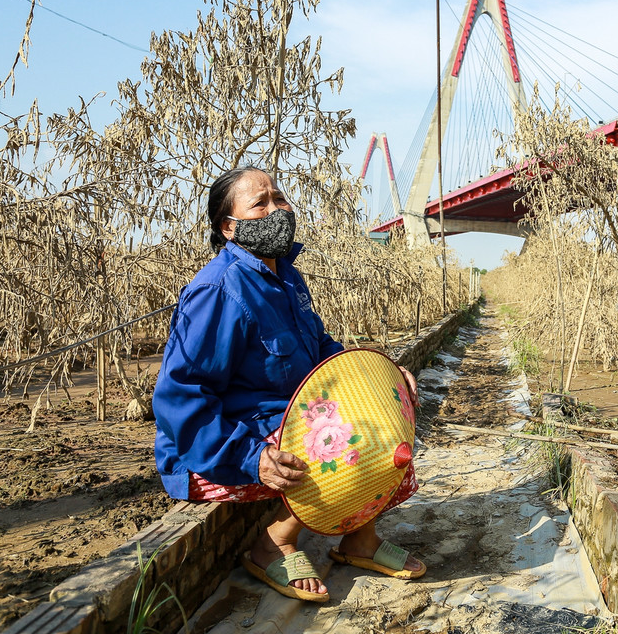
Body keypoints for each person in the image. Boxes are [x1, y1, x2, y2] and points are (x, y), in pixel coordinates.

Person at [153, 166, 426, 603]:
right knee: (343, 442)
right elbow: (179, 397)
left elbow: (321, 348)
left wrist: (384, 377)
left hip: (285, 419)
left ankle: (360, 539)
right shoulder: (219, 290)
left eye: (278, 198)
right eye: (259, 204)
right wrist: (251, 457)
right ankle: (274, 542)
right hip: (219, 450)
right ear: (229, 227)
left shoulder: (285, 276)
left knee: (386, 417)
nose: (276, 210)